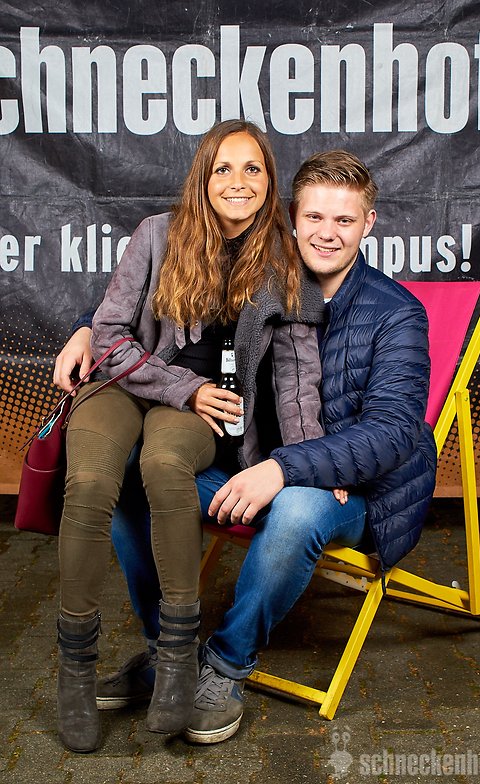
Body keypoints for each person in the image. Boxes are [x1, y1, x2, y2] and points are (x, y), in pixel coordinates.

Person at [55, 149, 437, 746]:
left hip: (354, 490)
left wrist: (286, 469)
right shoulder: (264, 267)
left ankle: (225, 665)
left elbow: (392, 433)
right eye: (314, 217)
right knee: (132, 474)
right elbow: (162, 284)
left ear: (369, 223)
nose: (327, 234)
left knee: (299, 509)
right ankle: (167, 654)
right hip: (253, 467)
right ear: (291, 218)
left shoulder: (396, 314)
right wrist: (85, 324)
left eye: (344, 220)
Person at [54, 119, 326, 754]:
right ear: (203, 177)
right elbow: (110, 333)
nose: (238, 181)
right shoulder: (157, 234)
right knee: (90, 481)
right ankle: (75, 673)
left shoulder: (285, 258)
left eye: (253, 168)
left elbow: (297, 375)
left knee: (164, 463)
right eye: (222, 168)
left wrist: (310, 458)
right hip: (127, 385)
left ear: (271, 181)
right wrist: (185, 386)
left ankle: (176, 657)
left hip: (202, 412)